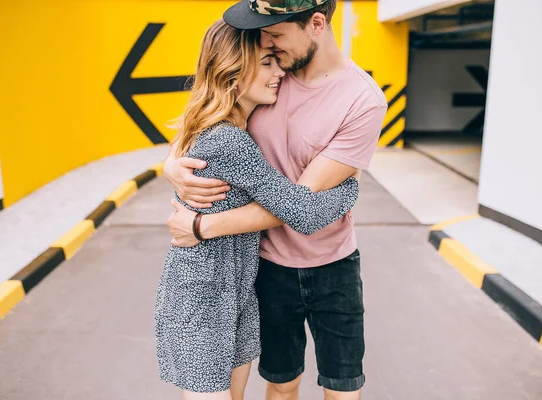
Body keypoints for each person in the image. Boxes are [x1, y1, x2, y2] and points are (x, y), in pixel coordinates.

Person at [163, 1, 388, 399]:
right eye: (264, 42)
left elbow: (299, 203)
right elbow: (210, 104)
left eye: (276, 34)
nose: (268, 45)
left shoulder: (361, 100)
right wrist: (171, 164)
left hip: (329, 263)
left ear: (316, 23)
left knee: (343, 388)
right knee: (279, 385)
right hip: (256, 271)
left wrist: (201, 226)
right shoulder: (266, 75)